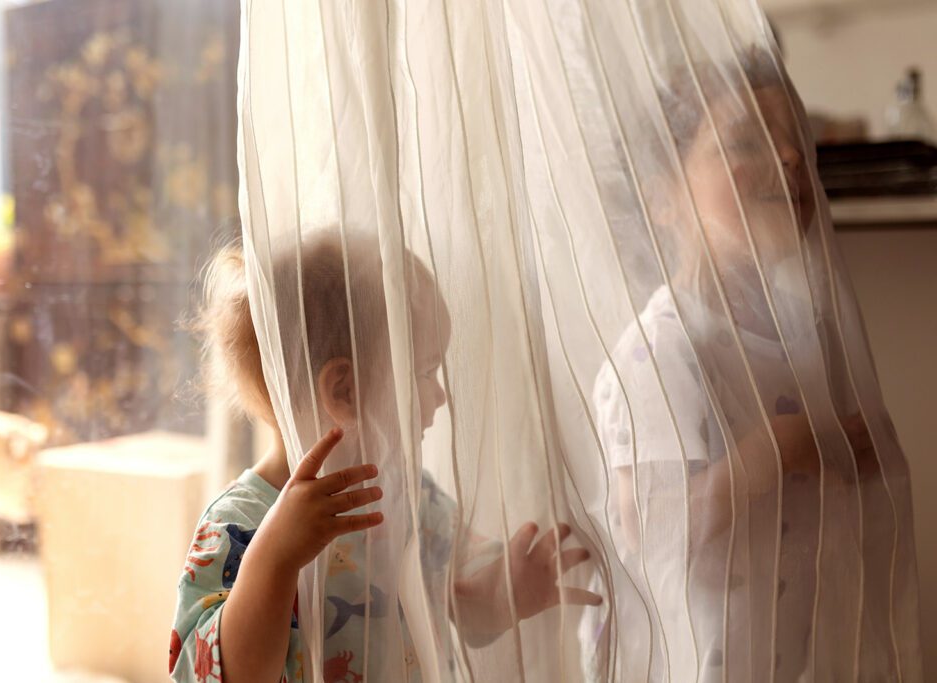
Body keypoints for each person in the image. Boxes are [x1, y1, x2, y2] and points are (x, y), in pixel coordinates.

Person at [170, 230, 601, 683]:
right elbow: (219, 675)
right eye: (424, 372)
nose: (439, 395)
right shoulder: (237, 525)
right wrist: (274, 559)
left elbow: (461, 603)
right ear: (345, 391)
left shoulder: (411, 497)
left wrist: (507, 592)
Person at [583, 49, 884, 681]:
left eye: (795, 140)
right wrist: (779, 451)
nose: (791, 159)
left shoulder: (808, 331)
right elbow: (655, 535)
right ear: (663, 197)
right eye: (746, 141)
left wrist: (850, 453)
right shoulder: (663, 349)